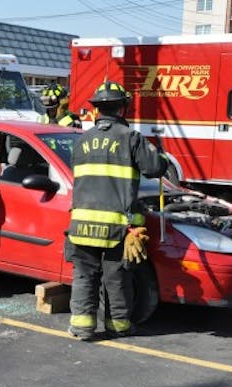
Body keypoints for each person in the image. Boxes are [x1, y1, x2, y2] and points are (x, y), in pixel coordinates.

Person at [66, 80, 168, 340]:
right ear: (123, 108)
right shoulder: (130, 138)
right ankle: (118, 326)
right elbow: (154, 168)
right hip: (116, 226)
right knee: (116, 278)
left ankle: (82, 327)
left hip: (80, 224)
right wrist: (163, 157)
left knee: (84, 276)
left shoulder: (82, 140)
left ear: (97, 109)